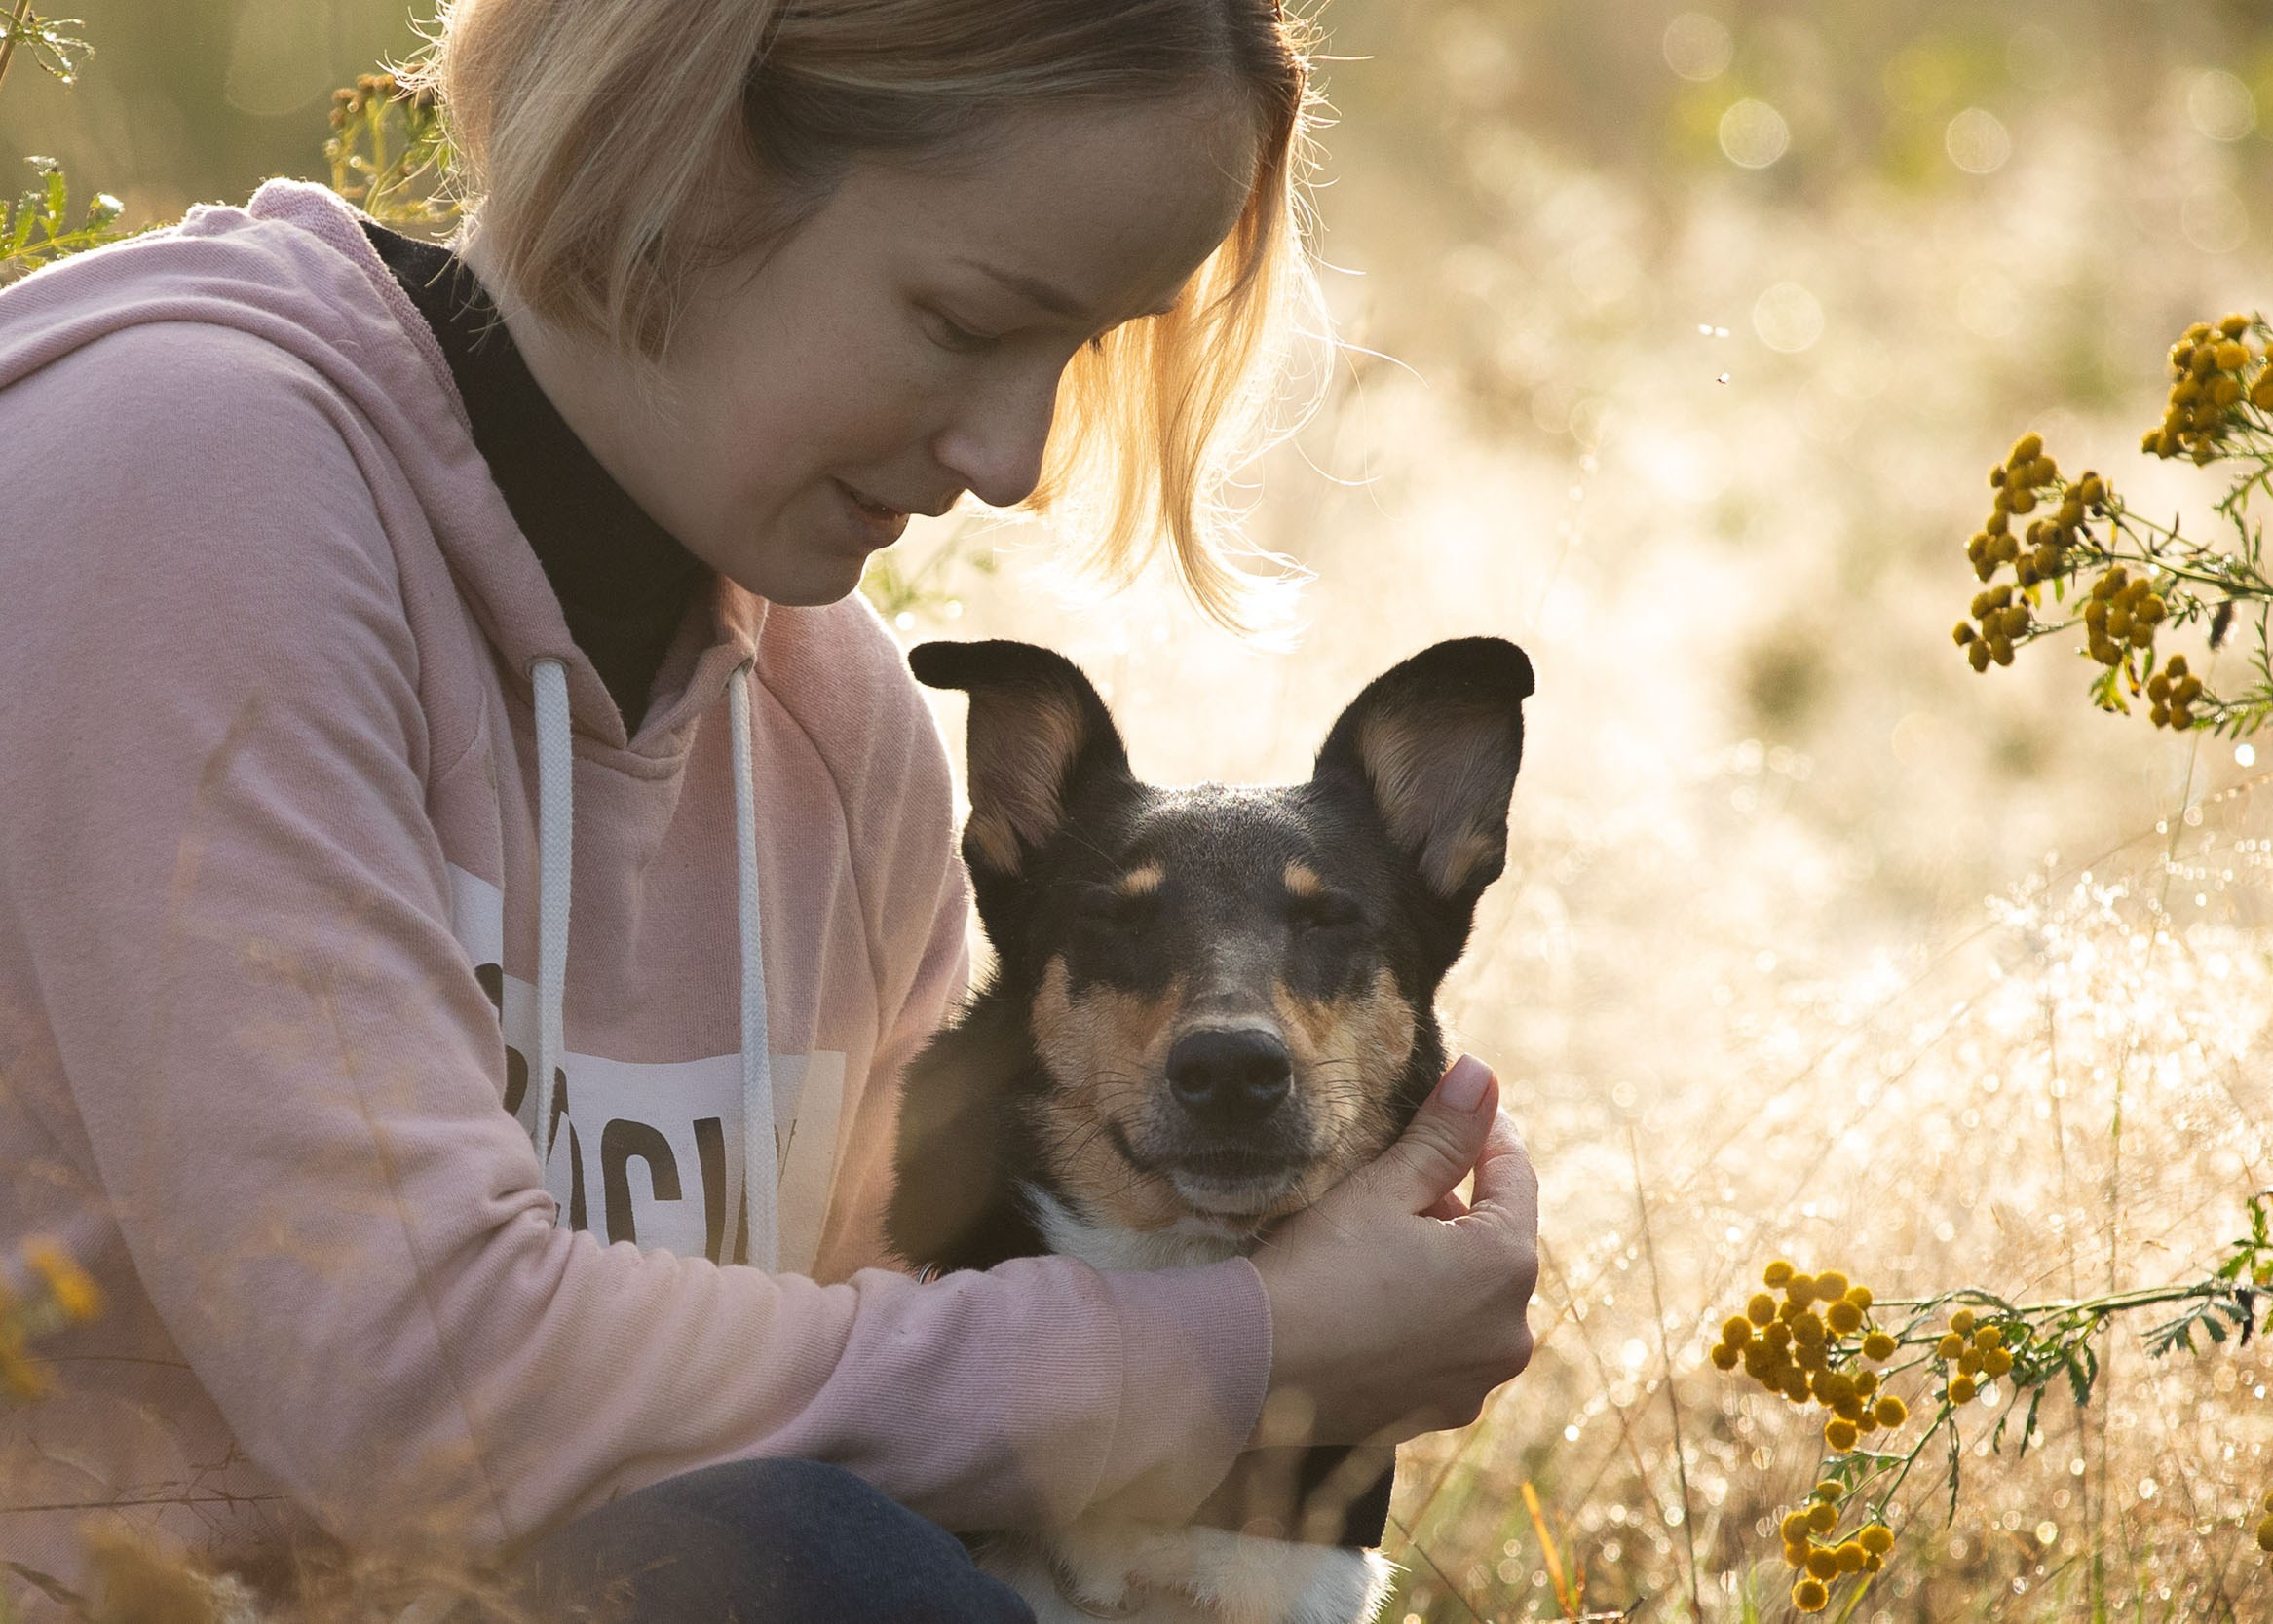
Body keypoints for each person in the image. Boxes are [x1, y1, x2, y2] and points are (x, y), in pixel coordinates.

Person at [0, 1, 1541, 1618]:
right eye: (962, 319)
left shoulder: (835, 723)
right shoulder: (178, 487)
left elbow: (886, 1374)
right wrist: (1259, 1347)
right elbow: (425, 1395)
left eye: (1079, 349)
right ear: (693, 155)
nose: (1011, 460)